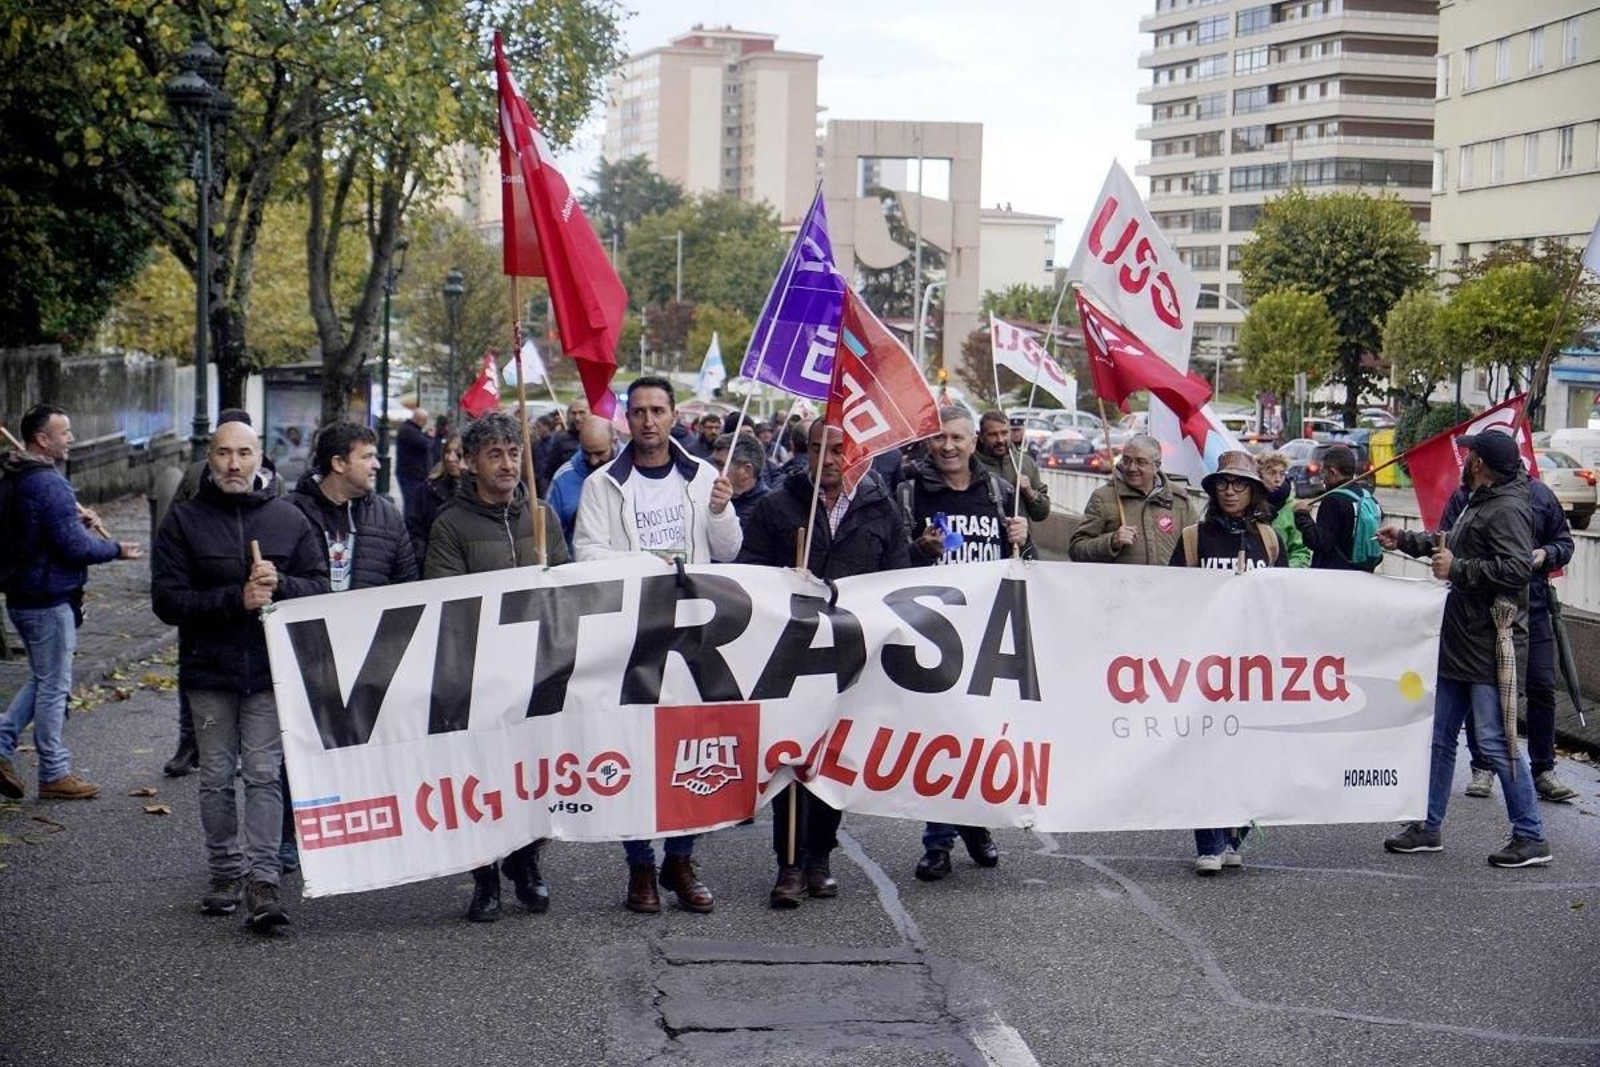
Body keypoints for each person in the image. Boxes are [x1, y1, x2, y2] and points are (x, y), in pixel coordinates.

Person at [574, 375, 741, 914]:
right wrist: (648, 566)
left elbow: (729, 551)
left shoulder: (703, 477)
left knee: (686, 748)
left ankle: (681, 858)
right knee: (631, 747)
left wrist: (719, 510)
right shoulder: (603, 484)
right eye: (639, 411)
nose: (648, 421)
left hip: (692, 633)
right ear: (627, 418)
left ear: (674, 418)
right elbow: (587, 555)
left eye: (658, 411)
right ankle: (640, 865)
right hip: (632, 634)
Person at [151, 420, 327, 928]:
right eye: (224, 453)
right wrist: (236, 598)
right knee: (216, 777)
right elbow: (166, 600)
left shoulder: (288, 518)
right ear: (209, 458)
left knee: (265, 774)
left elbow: (319, 586)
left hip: (270, 672)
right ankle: (224, 872)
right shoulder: (184, 520)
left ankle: (263, 881)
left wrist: (283, 585)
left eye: (244, 453)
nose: (234, 464)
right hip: (209, 672)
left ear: (259, 459)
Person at [738, 421, 910, 906]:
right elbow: (747, 573)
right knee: (791, 757)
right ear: (804, 452)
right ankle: (788, 864)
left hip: (852, 655)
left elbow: (897, 580)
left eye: (838, 449)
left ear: (853, 454)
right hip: (790, 655)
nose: (828, 459)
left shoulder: (881, 508)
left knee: (835, 759)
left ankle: (820, 858)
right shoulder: (778, 506)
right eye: (817, 449)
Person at [1378, 430, 1551, 868]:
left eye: (1470, 452)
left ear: (1479, 463)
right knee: (1438, 739)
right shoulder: (1484, 498)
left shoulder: (1508, 508)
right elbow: (1452, 541)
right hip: (1464, 641)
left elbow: (1515, 570)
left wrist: (1460, 569)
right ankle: (1427, 826)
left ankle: (1530, 834)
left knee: (1496, 741)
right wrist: (1408, 541)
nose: (1464, 456)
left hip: (1489, 644)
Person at [426, 411, 569, 921]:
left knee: (535, 774)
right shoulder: (451, 525)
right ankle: (485, 876)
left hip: (538, 672)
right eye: (495, 455)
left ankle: (526, 863)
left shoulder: (542, 516)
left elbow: (567, 585)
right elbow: (448, 604)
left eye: (514, 454)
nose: (508, 464)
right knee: (485, 779)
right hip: (480, 677)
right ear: (470, 463)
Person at [898, 407, 1028, 882]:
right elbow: (891, 561)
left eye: (957, 437)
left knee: (982, 737)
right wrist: (919, 551)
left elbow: (1024, 567)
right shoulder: (911, 492)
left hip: (990, 633)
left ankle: (975, 824)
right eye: (939, 438)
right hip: (932, 636)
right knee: (941, 737)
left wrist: (1024, 539)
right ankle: (938, 843)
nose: (948, 446)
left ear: (974, 442)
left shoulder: (997, 492)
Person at [285, 421, 418, 872]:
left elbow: (407, 583)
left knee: (366, 749)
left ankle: (362, 833)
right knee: (303, 750)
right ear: (339, 463)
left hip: (370, 659)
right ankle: (292, 835)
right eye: (367, 456)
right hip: (309, 655)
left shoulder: (385, 514)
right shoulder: (290, 514)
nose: (377, 464)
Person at [0, 404, 142, 802]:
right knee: (54, 686)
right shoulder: (46, 483)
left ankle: (1, 744)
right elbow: (71, 547)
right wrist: (115, 549)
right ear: (42, 439)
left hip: (24, 596)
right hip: (47, 599)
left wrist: (68, 519)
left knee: (45, 678)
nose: (72, 439)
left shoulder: (15, 478)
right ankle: (54, 771)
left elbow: (39, 532)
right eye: (65, 432)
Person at [1168, 450, 1283, 874]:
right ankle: (1209, 842)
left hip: (1253, 667)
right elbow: (1170, 595)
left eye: (1239, 484)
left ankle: (1235, 833)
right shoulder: (1195, 536)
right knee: (1206, 750)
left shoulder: (1268, 539)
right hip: (1206, 663)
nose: (1230, 491)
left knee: (1251, 752)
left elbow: (1285, 599)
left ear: (1254, 492)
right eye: (1223, 484)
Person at [1441, 452, 1578, 806]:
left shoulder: (1541, 496)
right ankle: (1482, 767)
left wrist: (1545, 554)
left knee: (1542, 687)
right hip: (1486, 613)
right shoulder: (1466, 498)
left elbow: (1565, 543)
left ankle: (1543, 769)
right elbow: (1446, 541)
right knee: (1478, 693)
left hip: (1532, 608)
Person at [1067, 434, 1196, 566]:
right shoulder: (1104, 498)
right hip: (1118, 585)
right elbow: (1076, 549)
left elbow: (1196, 550)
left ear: (1156, 466)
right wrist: (1111, 542)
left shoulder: (1180, 501)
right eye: (1126, 460)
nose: (1132, 468)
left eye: (1141, 462)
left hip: (1167, 585)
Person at [1291, 444, 1381, 571]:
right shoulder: (1368, 498)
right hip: (1363, 571)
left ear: (1332, 472)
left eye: (1323, 473)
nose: (1323, 479)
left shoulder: (1333, 501)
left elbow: (1319, 542)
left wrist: (1302, 515)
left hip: (1335, 575)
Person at [547, 416, 615, 556]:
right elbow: (548, 532)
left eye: (600, 453)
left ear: (614, 442)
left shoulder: (634, 467)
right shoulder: (562, 479)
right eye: (587, 453)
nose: (594, 461)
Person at [976, 411, 1051, 523]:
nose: (1000, 440)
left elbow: (1041, 514)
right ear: (981, 437)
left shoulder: (1025, 463)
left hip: (1019, 539)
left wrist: (1030, 493)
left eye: (1004, 433)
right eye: (993, 434)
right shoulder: (970, 465)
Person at [403, 431, 461, 566]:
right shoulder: (427, 489)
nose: (450, 458)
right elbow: (414, 531)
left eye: (458, 453)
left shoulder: (482, 492)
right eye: (447, 451)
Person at [1256, 450, 1312, 569]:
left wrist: (1286, 572)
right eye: (1272, 473)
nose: (1277, 479)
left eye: (1282, 474)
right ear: (1259, 475)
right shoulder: (1249, 504)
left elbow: (1301, 551)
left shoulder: (1293, 507)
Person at [710, 432, 769, 524]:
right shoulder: (706, 496)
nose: (712, 469)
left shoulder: (767, 511)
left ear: (746, 471)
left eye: (720, 465)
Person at [537, 399, 589, 496]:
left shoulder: (601, 438)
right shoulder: (561, 440)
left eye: (582, 412)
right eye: (574, 413)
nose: (577, 418)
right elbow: (547, 473)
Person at [395, 407, 433, 503]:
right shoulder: (408, 430)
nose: (425, 424)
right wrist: (430, 436)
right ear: (418, 420)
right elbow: (425, 444)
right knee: (412, 503)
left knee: (414, 502)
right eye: (424, 421)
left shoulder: (412, 430)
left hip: (413, 474)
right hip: (410, 475)